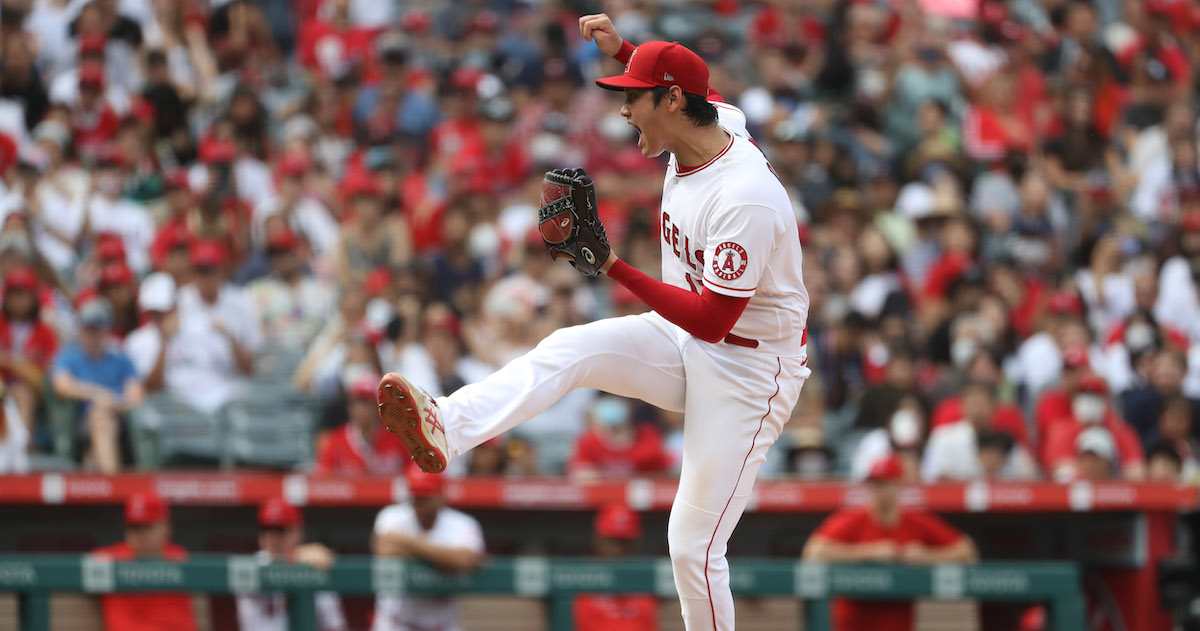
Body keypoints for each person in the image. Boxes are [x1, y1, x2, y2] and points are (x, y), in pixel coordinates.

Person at [378, 20, 809, 630]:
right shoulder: (717, 121)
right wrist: (626, 51)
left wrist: (610, 264)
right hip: (687, 334)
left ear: (671, 102)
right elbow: (692, 88)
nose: (624, 109)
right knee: (568, 347)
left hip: (749, 369)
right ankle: (448, 425)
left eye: (633, 95)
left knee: (692, 545)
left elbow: (714, 322)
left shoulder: (745, 198)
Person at [802, 456, 978, 631]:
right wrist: (868, 553)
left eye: (883, 484)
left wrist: (926, 556)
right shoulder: (854, 517)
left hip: (897, 623)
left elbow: (966, 551)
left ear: (899, 485)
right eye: (873, 484)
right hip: (852, 623)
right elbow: (814, 552)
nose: (876, 490)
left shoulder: (915, 520)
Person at [371, 469, 485, 631]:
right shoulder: (391, 516)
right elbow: (383, 549)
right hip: (396, 624)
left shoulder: (463, 523)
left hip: (444, 625)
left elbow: (464, 560)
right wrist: (444, 558)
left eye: (425, 497)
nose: (419, 503)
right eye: (416, 497)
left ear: (441, 496)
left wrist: (405, 543)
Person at [51, 298, 143, 473]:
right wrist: (97, 394)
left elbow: (136, 395)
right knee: (100, 418)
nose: (94, 335)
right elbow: (61, 385)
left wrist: (113, 403)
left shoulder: (121, 358)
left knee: (101, 424)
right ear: (81, 330)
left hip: (122, 420)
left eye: (98, 329)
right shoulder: (70, 356)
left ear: (107, 331)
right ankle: (113, 484)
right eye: (89, 329)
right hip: (79, 424)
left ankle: (99, 470)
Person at [91, 492, 198, 631]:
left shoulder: (180, 559)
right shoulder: (110, 558)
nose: (139, 534)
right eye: (133, 527)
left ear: (165, 527)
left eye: (146, 526)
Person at [236, 498, 346, 631]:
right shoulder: (253, 565)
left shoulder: (315, 567)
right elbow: (271, 565)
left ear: (299, 532)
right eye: (267, 529)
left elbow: (333, 625)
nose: (273, 536)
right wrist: (296, 555)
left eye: (281, 529)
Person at [574, 503, 657, 631]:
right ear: (597, 540)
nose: (617, 550)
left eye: (624, 542)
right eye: (611, 541)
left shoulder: (647, 582)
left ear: (636, 544)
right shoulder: (579, 578)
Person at [314, 374, 410, 476]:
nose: (362, 409)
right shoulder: (335, 441)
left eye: (367, 402)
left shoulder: (398, 438)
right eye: (356, 403)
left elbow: (413, 471)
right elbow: (322, 478)